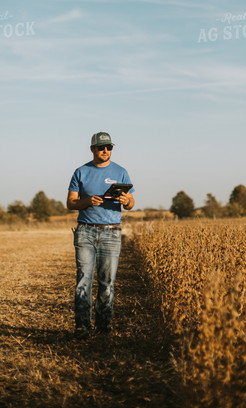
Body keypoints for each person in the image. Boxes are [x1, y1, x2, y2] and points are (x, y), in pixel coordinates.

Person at [66, 131, 135, 339]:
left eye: (109, 147)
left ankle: (103, 329)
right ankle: (82, 327)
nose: (106, 151)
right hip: (85, 231)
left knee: (107, 282)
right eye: (101, 147)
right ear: (92, 149)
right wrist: (88, 202)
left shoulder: (121, 172)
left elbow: (131, 203)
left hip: (112, 232)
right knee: (83, 281)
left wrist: (126, 202)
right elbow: (70, 203)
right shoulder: (80, 172)